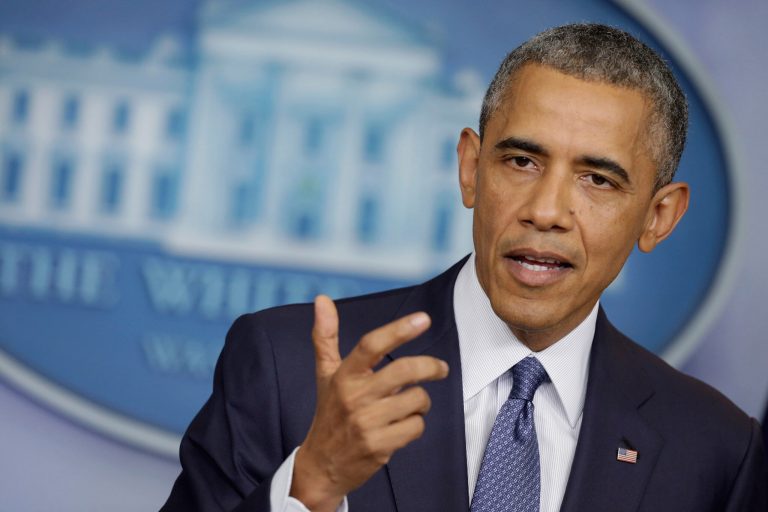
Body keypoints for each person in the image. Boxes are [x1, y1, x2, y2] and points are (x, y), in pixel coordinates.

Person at [161, 24, 767, 512]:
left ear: (659, 217)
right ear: (471, 169)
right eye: (523, 162)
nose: (547, 210)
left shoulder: (714, 449)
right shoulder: (282, 366)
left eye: (597, 179)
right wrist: (309, 488)